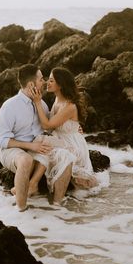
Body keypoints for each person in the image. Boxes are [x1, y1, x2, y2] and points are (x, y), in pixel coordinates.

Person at [0, 64, 72, 211]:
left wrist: (74, 125)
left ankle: (58, 208)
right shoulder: (10, 106)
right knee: (25, 160)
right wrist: (30, 146)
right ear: (31, 84)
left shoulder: (41, 104)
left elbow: (50, 126)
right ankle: (21, 210)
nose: (44, 82)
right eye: (41, 79)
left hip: (38, 147)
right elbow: (0, 140)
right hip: (13, 151)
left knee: (66, 156)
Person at [28, 67, 98, 195]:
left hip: (72, 144)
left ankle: (33, 184)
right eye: (47, 80)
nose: (47, 83)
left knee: (43, 142)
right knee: (42, 143)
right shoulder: (57, 99)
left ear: (60, 85)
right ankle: (32, 184)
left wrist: (37, 102)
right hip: (62, 138)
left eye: (51, 81)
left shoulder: (69, 106)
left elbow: (47, 125)